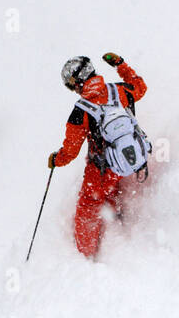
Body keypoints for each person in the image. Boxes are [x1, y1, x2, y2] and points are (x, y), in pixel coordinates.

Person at [48, 53, 148, 258]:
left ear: (77, 82)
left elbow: (70, 151)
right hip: (125, 158)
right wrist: (120, 64)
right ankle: (116, 224)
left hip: (100, 169)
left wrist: (56, 160)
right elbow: (140, 87)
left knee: (88, 204)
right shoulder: (118, 90)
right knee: (110, 191)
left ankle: (85, 254)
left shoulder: (80, 111)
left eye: (70, 84)